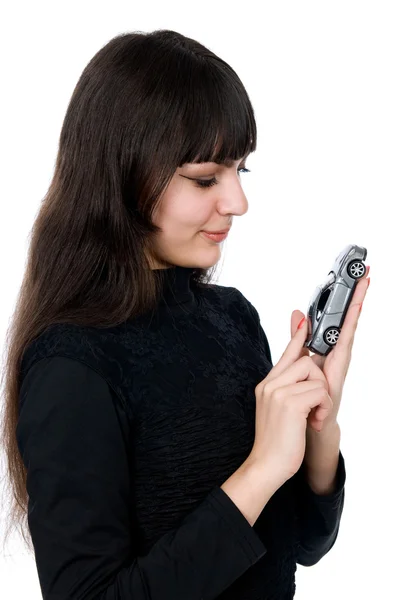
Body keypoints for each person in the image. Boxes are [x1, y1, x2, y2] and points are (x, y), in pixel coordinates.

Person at [3, 30, 347, 599]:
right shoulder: (72, 366)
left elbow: (303, 544)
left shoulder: (233, 320)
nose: (237, 202)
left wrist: (319, 429)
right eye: (205, 178)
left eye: (242, 171)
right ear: (124, 177)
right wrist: (261, 468)